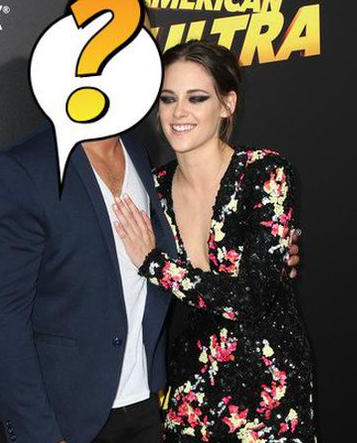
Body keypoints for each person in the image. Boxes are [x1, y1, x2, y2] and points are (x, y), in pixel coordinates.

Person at [112, 41, 316, 442]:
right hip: (191, 389)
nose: (178, 112)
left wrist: (156, 265)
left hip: (270, 392)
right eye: (168, 98)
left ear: (227, 104)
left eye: (197, 98)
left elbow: (251, 298)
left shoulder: (264, 173)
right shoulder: (153, 189)